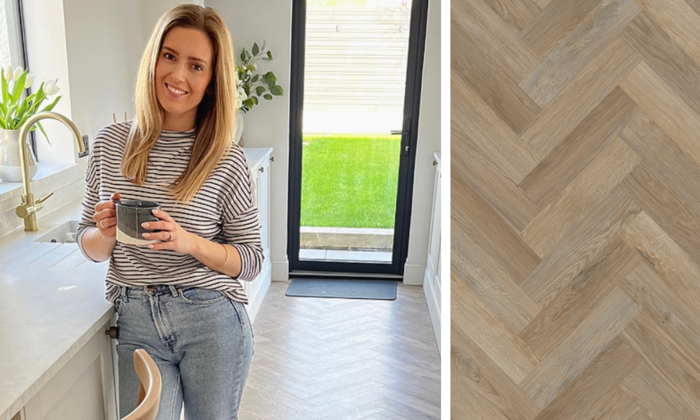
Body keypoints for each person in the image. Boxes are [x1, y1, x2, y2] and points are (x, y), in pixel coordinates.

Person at [76, 4, 261, 419]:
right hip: (138, 320)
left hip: (211, 319)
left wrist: (189, 242)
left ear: (212, 81)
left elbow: (250, 260)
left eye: (197, 66)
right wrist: (105, 232)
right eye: (170, 56)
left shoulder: (226, 160)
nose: (178, 76)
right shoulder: (109, 145)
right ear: (153, 58)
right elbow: (87, 243)